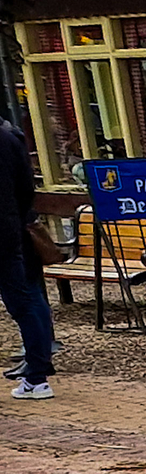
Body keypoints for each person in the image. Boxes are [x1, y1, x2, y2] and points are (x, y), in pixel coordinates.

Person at [0, 118, 56, 400]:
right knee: (29, 298)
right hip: (12, 229)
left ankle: (37, 373)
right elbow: (26, 189)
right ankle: (37, 372)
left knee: (24, 302)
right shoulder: (11, 137)